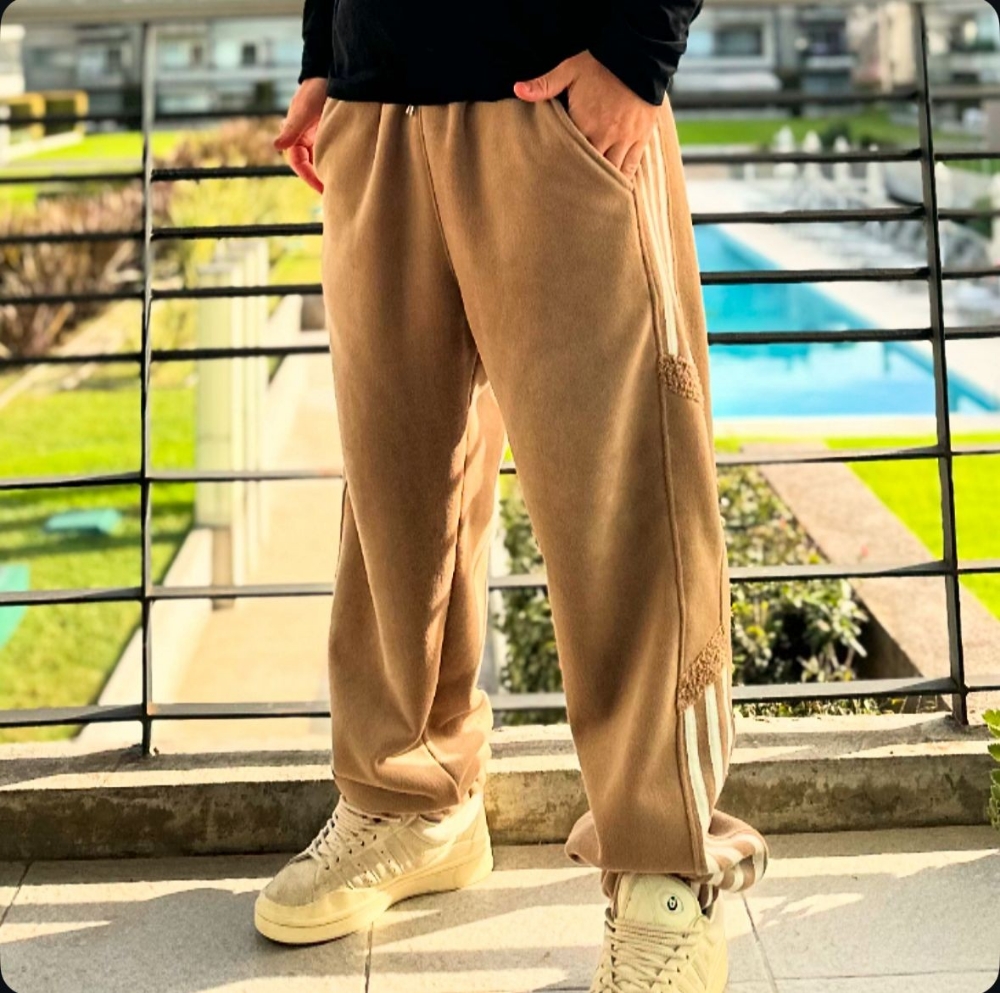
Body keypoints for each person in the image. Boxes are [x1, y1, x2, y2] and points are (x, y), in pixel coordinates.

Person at [256, 2, 770, 989]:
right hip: (376, 108)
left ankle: (664, 867)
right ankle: (411, 804)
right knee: (395, 490)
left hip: (560, 101)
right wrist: (326, 55)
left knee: (624, 493)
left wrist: (637, 51)